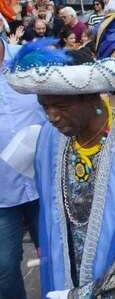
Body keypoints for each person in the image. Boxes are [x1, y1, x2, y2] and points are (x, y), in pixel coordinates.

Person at [4, 39, 115, 298]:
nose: (51, 116)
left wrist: (87, 295)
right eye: (45, 106)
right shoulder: (50, 139)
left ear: (92, 97)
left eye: (60, 106)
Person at [0, 36, 46, 299]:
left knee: (57, 257)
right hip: (3, 194)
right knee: (4, 269)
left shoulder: (29, 59)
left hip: (45, 185)